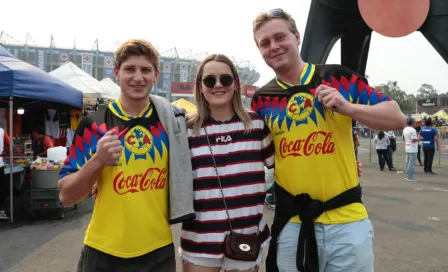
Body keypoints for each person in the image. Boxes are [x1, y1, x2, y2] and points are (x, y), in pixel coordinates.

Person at [251, 9, 406, 272]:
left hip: (347, 222)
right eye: (265, 43)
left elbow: (397, 118)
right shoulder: (262, 98)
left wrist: (349, 108)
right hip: (292, 223)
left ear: (297, 37)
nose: (274, 47)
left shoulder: (337, 77)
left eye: (280, 37)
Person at [58, 39, 195, 272]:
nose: (138, 77)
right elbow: (66, 196)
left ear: (156, 75)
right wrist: (98, 162)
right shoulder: (93, 123)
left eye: (145, 70)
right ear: (117, 73)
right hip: (102, 253)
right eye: (130, 69)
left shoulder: (172, 124)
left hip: (158, 252)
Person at [179, 54, 274, 272]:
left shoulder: (256, 124)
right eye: (210, 80)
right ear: (200, 86)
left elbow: (285, 165)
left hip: (245, 236)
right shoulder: (186, 129)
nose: (218, 85)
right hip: (199, 239)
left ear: (236, 84)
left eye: (226, 79)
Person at [0, 127, 10, 219]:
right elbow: (9, 143)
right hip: (0, 163)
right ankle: (1, 211)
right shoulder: (2, 131)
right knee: (1, 188)